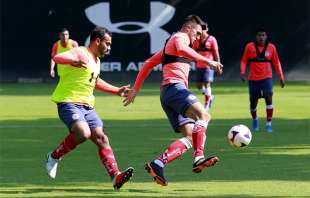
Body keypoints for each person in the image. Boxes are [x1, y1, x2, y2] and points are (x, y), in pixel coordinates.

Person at [123, 15, 223, 186]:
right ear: (189, 28)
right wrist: (208, 61)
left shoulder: (171, 46)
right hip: (175, 89)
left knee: (192, 137)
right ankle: (198, 157)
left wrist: (136, 90)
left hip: (167, 94)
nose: (198, 38)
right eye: (197, 34)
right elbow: (182, 48)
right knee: (204, 116)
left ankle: (158, 164)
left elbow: (147, 63)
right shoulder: (180, 37)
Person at [46, 27, 134, 190]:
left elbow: (95, 81)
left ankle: (116, 176)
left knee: (102, 138)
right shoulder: (80, 52)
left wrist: (116, 90)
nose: (109, 47)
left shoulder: (96, 60)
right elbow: (58, 57)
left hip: (87, 106)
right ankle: (53, 156)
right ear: (97, 41)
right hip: (68, 102)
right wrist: (73, 61)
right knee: (83, 133)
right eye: (107, 44)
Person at [240, 28, 285, 133]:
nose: (261, 37)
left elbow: (276, 62)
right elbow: (244, 60)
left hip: (266, 77)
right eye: (259, 35)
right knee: (253, 102)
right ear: (256, 37)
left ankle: (269, 123)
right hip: (253, 79)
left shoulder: (271, 47)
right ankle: (255, 119)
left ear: (266, 36)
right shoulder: (249, 47)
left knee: (268, 96)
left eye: (263, 35)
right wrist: (242, 72)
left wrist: (281, 76)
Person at [194, 21, 220, 111]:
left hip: (209, 66)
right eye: (201, 29)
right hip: (199, 65)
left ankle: (207, 104)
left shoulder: (212, 39)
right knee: (199, 86)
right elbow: (192, 52)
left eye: (204, 29)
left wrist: (218, 65)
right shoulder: (196, 40)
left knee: (207, 83)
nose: (203, 31)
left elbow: (216, 52)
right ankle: (210, 96)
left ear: (207, 29)